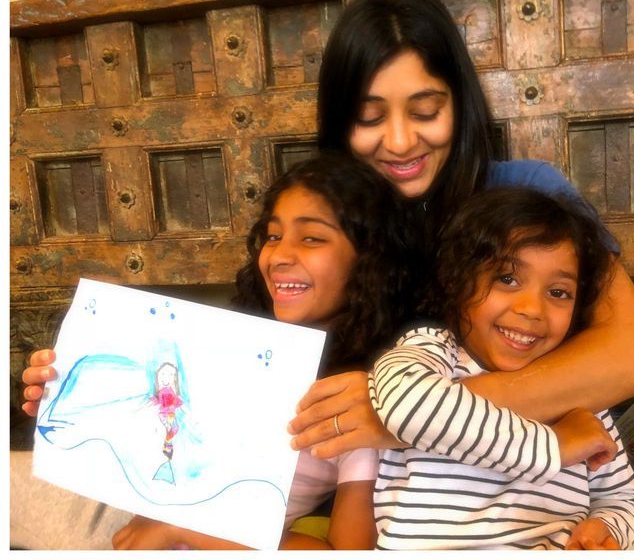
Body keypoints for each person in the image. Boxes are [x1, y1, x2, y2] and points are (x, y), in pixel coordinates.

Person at [288, 0, 634, 459]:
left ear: (459, 104)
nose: (402, 141)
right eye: (369, 117)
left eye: (426, 110)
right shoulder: (325, 221)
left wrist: (405, 416)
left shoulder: (527, 193)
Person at [20, 155, 416, 550]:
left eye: (311, 238)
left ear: (370, 257)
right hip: (117, 510)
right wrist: (63, 400)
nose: (278, 256)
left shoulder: (356, 401)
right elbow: (148, 431)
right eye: (273, 236)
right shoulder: (222, 348)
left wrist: (181, 528)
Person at [370, 187, 634, 550]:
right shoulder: (433, 350)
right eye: (507, 278)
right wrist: (554, 446)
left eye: (559, 292)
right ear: (457, 281)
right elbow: (407, 404)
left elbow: (626, 499)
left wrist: (608, 529)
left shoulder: (581, 389)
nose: (532, 308)